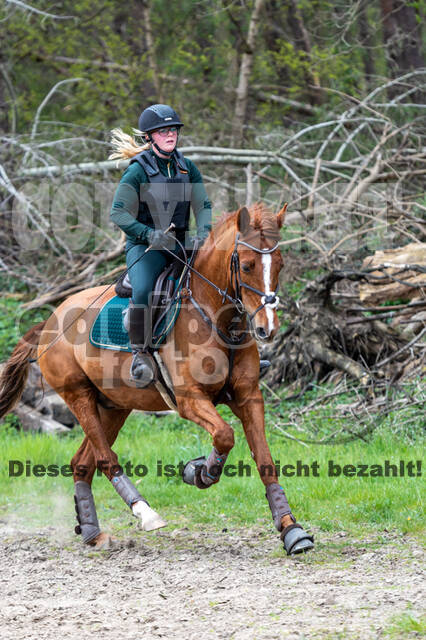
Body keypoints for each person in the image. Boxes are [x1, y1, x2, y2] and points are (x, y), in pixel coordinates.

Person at [109, 104, 212, 386]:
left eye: (173, 130)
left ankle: (237, 346)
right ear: (149, 138)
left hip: (180, 244)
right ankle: (140, 353)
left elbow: (202, 205)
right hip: (147, 247)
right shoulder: (137, 172)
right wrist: (148, 234)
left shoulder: (186, 167)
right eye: (163, 131)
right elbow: (118, 213)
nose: (170, 135)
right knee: (142, 289)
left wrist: (204, 231)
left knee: (223, 276)